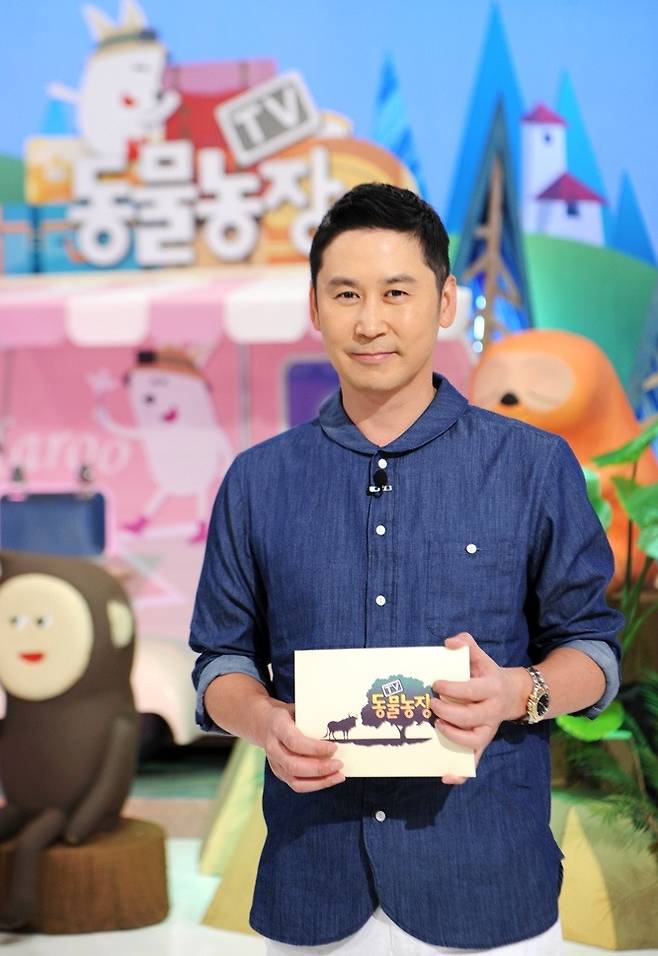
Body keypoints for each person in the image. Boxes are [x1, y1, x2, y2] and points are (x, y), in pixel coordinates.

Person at [189, 183, 622, 954]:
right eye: (345, 294)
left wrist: (516, 693)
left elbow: (593, 650)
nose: (370, 322)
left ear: (445, 301)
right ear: (315, 307)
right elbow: (220, 660)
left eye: (397, 292)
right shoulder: (258, 481)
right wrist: (263, 722)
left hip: (489, 881)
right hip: (313, 885)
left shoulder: (531, 465)